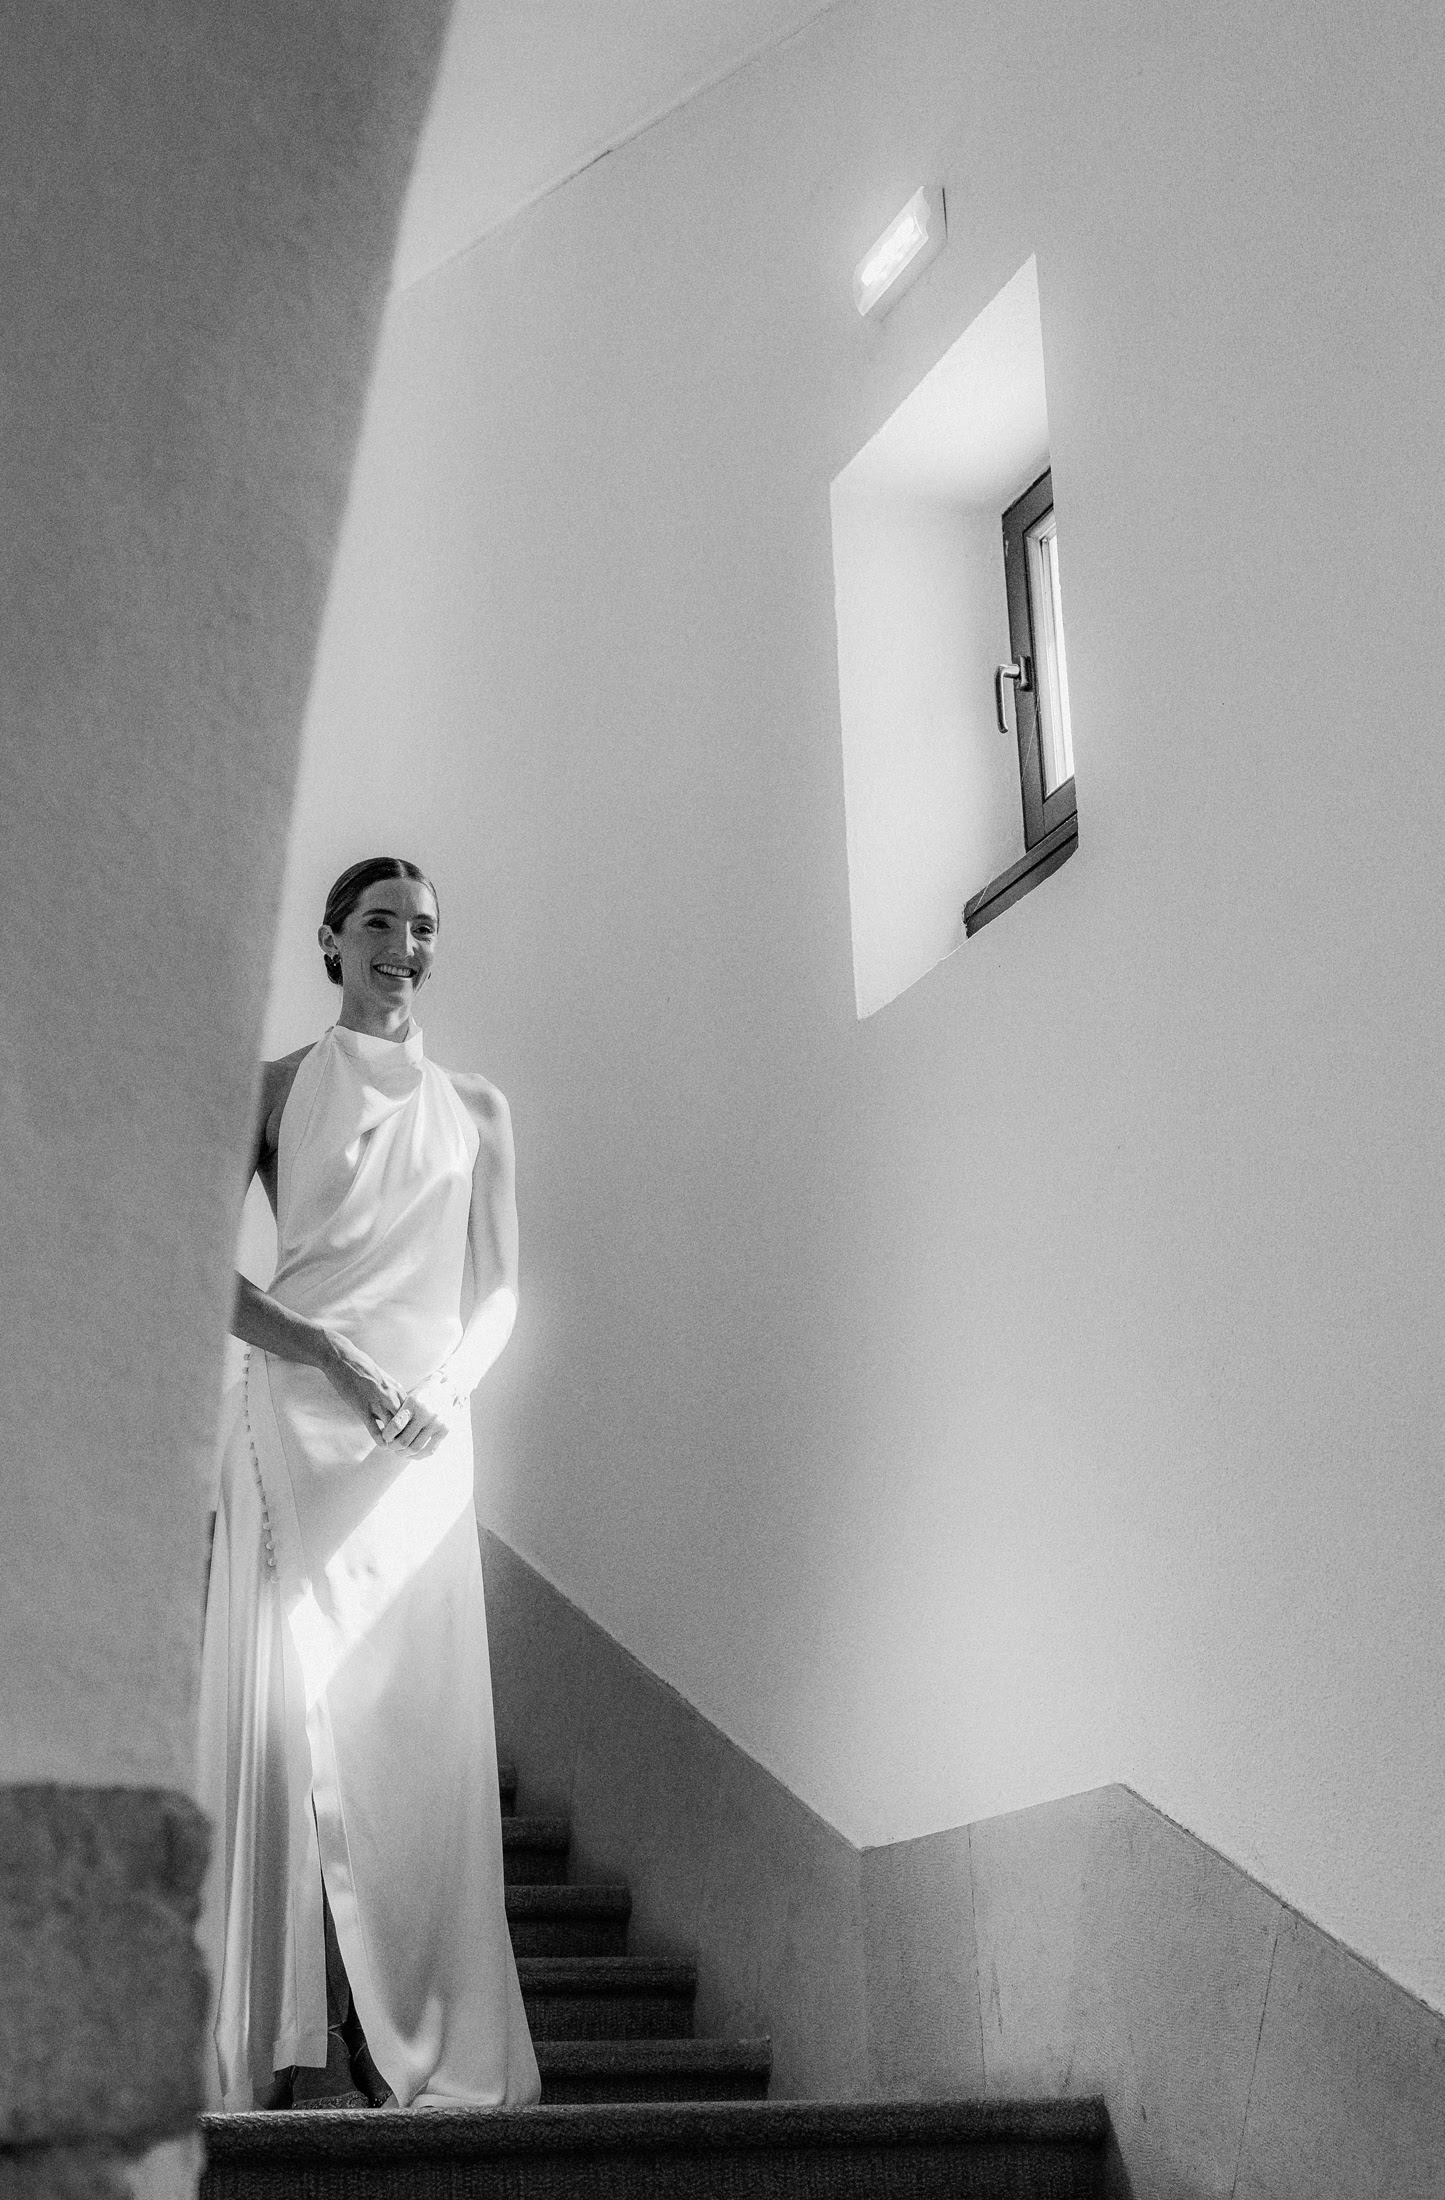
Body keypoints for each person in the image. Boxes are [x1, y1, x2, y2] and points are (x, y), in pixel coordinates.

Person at [197, 856, 540, 2112]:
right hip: (295, 1427)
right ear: (332, 940)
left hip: (420, 1448)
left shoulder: (478, 1107)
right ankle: (289, 2034)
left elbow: (499, 1289)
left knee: (415, 1750)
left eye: (424, 926)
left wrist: (446, 1388)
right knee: (289, 1731)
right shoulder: (275, 1090)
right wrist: (332, 1355)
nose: (406, 944)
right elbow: (198, 1264)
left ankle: (404, 2029)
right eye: (381, 922)